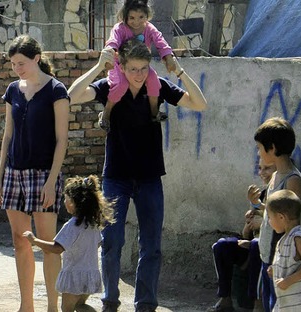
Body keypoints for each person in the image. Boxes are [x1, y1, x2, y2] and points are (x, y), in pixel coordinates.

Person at [67, 39, 207, 312]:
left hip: (149, 177)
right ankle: (110, 301)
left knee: (152, 245)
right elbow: (70, 96)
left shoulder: (158, 87)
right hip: (116, 176)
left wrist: (178, 71)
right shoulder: (110, 86)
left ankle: (145, 304)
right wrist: (98, 67)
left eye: (144, 68)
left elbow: (200, 104)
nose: (139, 74)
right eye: (133, 68)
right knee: (112, 242)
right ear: (121, 66)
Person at [0, 34, 70, 312]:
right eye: (13, 64)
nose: (17, 68)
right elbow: (7, 135)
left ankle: (52, 306)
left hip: (44, 173)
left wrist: (52, 181)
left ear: (36, 58)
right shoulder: (12, 90)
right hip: (14, 171)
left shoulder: (56, 90)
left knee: (48, 243)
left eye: (21, 63)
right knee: (19, 240)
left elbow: (62, 139)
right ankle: (27, 305)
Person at [23, 175, 115, 312]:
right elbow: (97, 244)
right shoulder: (93, 224)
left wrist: (35, 240)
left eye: (65, 199)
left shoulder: (72, 225)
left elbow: (56, 248)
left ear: (72, 202)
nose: (63, 202)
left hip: (74, 276)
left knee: (67, 308)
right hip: (90, 274)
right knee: (80, 305)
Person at [252, 117, 301, 312]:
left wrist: (278, 261)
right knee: (269, 304)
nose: (258, 152)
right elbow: (272, 213)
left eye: (260, 148)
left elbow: (288, 225)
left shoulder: (292, 181)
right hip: (268, 255)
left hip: (282, 259)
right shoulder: (275, 176)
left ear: (272, 148)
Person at [99, 0, 178, 131]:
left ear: (147, 15)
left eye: (141, 17)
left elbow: (161, 42)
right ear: (125, 16)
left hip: (141, 67)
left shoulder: (149, 29)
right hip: (120, 66)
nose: (136, 22)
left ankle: (154, 112)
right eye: (132, 18)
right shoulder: (120, 29)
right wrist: (109, 55)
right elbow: (112, 42)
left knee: (154, 80)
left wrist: (169, 57)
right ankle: (106, 113)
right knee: (121, 85)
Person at [208, 160, 275, 312]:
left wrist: (263, 223)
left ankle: (257, 303)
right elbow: (246, 234)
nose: (262, 173)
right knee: (221, 246)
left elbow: (278, 225)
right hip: (251, 244)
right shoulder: (261, 194)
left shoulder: (280, 196)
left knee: (256, 245)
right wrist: (249, 224)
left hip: (266, 247)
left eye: (267, 168)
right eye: (260, 168)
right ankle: (225, 298)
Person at [265, 190, 301, 311]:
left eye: (269, 217)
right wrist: (275, 269)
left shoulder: (297, 238)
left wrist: (287, 281)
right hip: (286, 303)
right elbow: (290, 264)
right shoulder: (284, 239)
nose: (269, 222)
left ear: (281, 217)